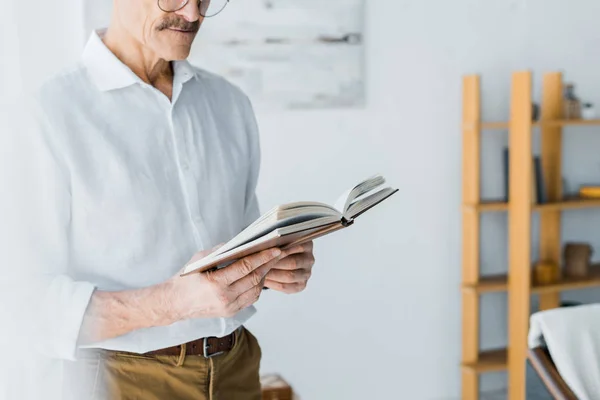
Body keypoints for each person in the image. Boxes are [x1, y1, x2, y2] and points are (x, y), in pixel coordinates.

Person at [0, 0, 315, 399]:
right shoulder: (43, 117)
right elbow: (20, 305)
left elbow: (233, 252)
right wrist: (170, 303)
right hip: (122, 381)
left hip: (238, 366)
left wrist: (270, 268)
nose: (193, 15)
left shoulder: (230, 104)